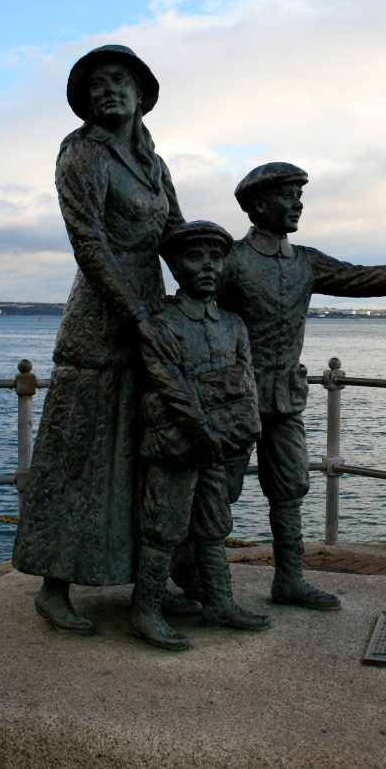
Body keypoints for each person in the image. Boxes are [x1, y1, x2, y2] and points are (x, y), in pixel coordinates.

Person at [219, 161, 386, 612]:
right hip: (233, 397)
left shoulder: (305, 261)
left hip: (285, 397)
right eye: (288, 194)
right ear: (258, 204)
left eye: (299, 194)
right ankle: (200, 580)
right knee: (218, 491)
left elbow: (363, 278)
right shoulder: (230, 260)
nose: (298, 203)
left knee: (289, 489)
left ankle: (289, 580)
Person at [13, 45, 191, 634]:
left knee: (143, 451)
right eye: (97, 84)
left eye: (120, 81)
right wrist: (137, 316)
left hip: (150, 318)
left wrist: (217, 277)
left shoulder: (152, 164)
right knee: (78, 455)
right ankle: (53, 584)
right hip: (99, 323)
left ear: (142, 94)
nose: (108, 90)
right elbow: (89, 242)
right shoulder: (80, 153)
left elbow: (178, 237)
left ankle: (148, 577)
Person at [132, 221, 270, 650]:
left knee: (214, 526)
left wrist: (244, 433)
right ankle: (146, 610)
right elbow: (167, 383)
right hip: (177, 445)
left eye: (215, 257)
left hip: (221, 445)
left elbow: (246, 382)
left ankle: (219, 602)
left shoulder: (233, 324)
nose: (208, 266)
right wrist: (202, 429)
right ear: (174, 266)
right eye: (195, 257)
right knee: (164, 529)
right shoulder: (161, 323)